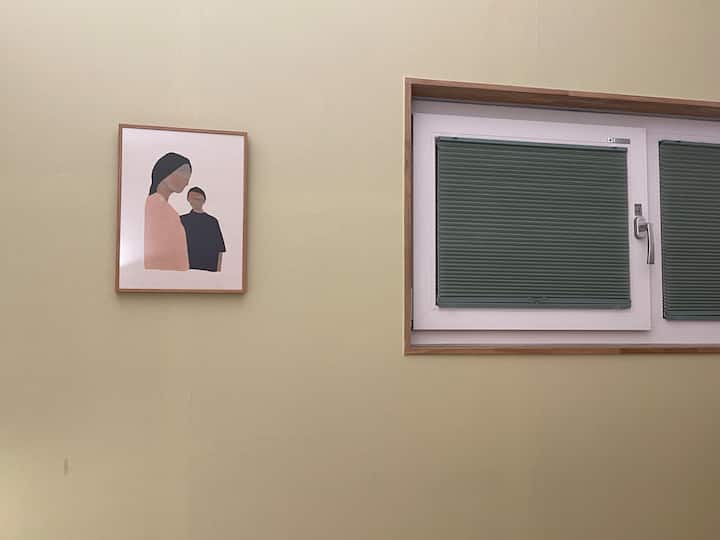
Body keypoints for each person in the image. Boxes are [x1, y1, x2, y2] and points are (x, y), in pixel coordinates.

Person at [144, 153, 192, 271]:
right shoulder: (158, 206)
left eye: (188, 176)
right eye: (183, 172)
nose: (187, 181)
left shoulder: (159, 205)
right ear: (165, 170)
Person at [180, 187, 226, 272]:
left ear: (204, 200)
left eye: (198, 198)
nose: (196, 201)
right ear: (188, 200)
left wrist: (218, 272)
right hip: (188, 269)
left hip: (209, 269)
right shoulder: (182, 220)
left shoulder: (212, 221)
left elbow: (220, 249)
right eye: (193, 198)